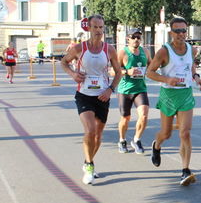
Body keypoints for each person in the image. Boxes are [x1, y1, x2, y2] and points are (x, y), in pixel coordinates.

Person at [60, 14, 122, 184]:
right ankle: (89, 165)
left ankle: (88, 160)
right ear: (88, 28)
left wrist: (110, 90)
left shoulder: (109, 49)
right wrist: (72, 74)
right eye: (95, 27)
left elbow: (118, 72)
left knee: (98, 136)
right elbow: (63, 62)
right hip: (84, 95)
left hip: (102, 96)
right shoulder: (80, 48)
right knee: (90, 131)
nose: (98, 31)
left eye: (101, 27)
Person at [146, 17, 201, 186]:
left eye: (183, 30)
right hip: (169, 95)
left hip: (185, 93)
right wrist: (166, 79)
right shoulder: (164, 51)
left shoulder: (191, 50)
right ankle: (156, 145)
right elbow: (149, 72)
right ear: (171, 32)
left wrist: (196, 77)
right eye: (177, 31)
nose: (181, 34)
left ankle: (185, 170)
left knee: (185, 132)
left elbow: (190, 65)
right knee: (166, 133)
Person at [116, 28, 151, 154]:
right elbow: (112, 70)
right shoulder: (122, 53)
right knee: (125, 118)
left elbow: (151, 66)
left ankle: (136, 140)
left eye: (139, 37)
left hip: (140, 89)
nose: (136, 39)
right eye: (134, 37)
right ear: (128, 39)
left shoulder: (145, 52)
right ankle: (122, 140)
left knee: (144, 115)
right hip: (125, 90)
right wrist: (127, 72)